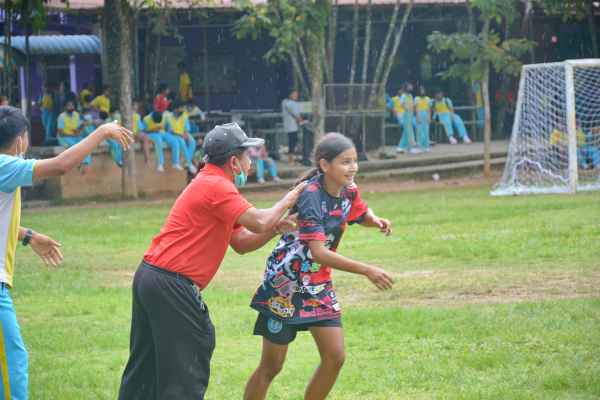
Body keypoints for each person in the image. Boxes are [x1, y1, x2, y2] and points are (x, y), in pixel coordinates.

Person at [118, 122, 307, 399]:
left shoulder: (211, 183)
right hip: (171, 284)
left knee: (147, 367)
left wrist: (275, 228)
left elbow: (241, 242)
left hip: (153, 278)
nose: (251, 160)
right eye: (247, 154)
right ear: (233, 161)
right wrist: (290, 199)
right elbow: (259, 220)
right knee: (188, 360)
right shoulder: (216, 186)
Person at [244, 132, 394, 400]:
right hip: (286, 284)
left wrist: (375, 220)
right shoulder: (311, 195)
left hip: (317, 284)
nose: (353, 167)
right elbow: (318, 252)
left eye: (354, 161)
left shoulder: (348, 189)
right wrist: (367, 270)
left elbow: (359, 212)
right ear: (325, 165)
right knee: (272, 366)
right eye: (345, 162)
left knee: (335, 357)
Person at [0, 106, 132, 400]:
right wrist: (101, 132)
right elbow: (61, 165)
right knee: (13, 364)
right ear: (20, 140)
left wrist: (27, 235)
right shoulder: (5, 166)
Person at [57, 100, 91, 172]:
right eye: (69, 106)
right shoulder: (61, 117)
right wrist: (73, 134)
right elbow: (61, 133)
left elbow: (82, 124)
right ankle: (81, 163)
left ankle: (85, 163)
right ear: (65, 107)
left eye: (72, 105)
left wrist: (79, 129)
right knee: (76, 147)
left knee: (86, 145)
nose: (71, 107)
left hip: (76, 136)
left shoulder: (76, 114)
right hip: (65, 137)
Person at [165, 102, 197, 174]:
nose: (182, 109)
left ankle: (187, 162)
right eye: (180, 108)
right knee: (181, 142)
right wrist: (181, 135)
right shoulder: (168, 116)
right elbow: (170, 131)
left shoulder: (184, 115)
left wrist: (185, 134)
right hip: (173, 134)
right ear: (175, 109)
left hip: (182, 133)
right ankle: (188, 163)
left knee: (192, 141)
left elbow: (186, 128)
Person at [282, 89, 305, 165]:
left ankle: (292, 158)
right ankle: (291, 159)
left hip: (290, 126)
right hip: (292, 126)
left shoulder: (285, 102)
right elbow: (296, 115)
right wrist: (301, 121)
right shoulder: (290, 103)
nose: (296, 96)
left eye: (297, 94)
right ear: (290, 94)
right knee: (292, 142)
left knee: (292, 141)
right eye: (294, 94)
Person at [395, 83, 419, 154]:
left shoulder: (410, 96)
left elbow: (413, 104)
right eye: (409, 86)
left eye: (411, 86)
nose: (411, 87)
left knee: (406, 132)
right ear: (406, 88)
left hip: (411, 114)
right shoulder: (403, 96)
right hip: (406, 115)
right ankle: (410, 148)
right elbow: (401, 104)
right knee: (408, 132)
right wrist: (406, 108)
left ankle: (400, 147)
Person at [414, 85, 432, 152]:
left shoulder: (428, 99)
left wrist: (429, 117)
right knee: (419, 131)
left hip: (426, 115)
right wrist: (417, 117)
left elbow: (429, 109)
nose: (422, 91)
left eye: (423, 90)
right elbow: (416, 109)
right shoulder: (416, 98)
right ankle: (420, 146)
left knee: (426, 131)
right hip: (419, 114)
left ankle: (426, 146)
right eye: (421, 90)